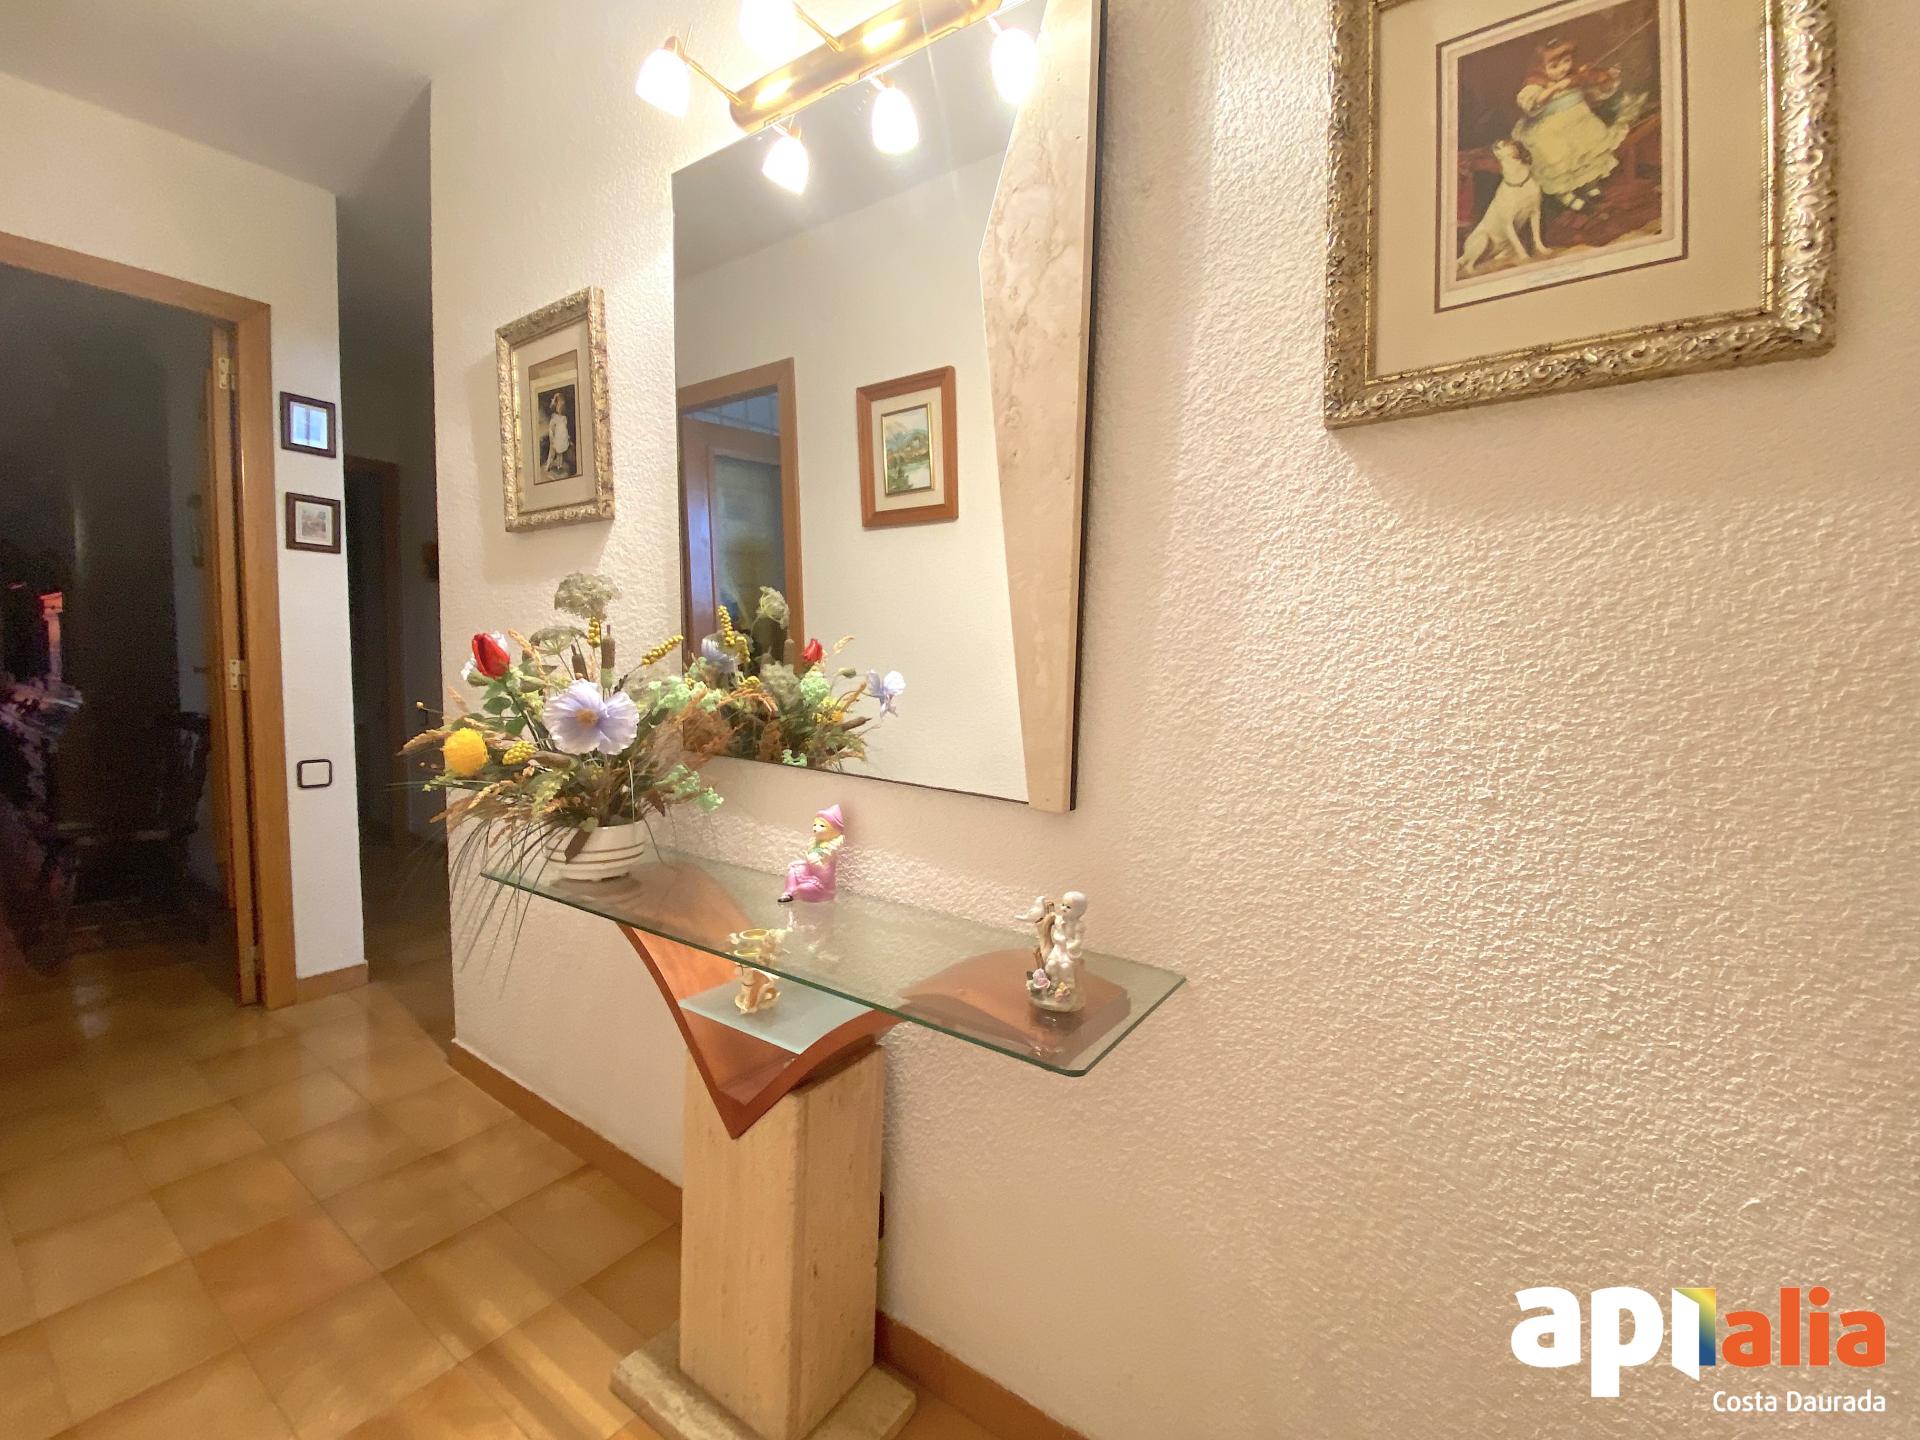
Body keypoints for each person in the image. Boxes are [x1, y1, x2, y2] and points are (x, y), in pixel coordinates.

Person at [1513, 37, 1628, 212]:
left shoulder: (1576, 76)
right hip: (1552, 131)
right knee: (1561, 163)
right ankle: (1566, 196)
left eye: (1566, 61)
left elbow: (1596, 92)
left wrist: (1604, 79)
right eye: (1554, 66)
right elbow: (1533, 103)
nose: (1563, 68)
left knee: (1588, 153)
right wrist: (1555, 88)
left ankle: (1591, 186)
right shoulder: (1535, 84)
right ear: (1540, 68)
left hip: (1580, 123)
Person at [542, 390, 574, 479]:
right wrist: (552, 439)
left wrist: (567, 437)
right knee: (552, 453)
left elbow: (565, 429)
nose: (560, 408)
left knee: (560, 453)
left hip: (561, 439)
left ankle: (559, 466)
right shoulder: (554, 418)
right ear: (556, 406)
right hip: (555, 439)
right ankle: (548, 466)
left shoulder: (564, 418)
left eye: (562, 406)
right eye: (559, 406)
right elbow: (551, 429)